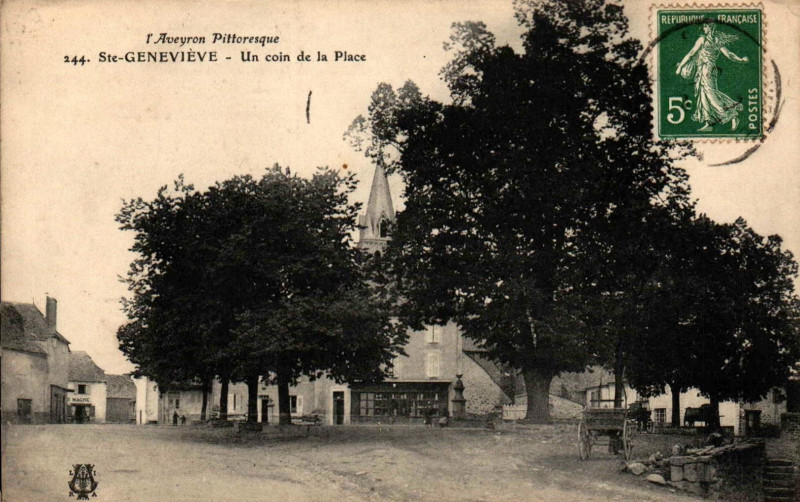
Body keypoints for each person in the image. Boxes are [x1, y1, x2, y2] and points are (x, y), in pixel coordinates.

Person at [675, 20, 749, 132]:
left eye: (705, 26)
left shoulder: (703, 39)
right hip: (706, 69)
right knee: (703, 95)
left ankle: (732, 115)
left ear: (710, 27)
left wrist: (680, 66)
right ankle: (709, 123)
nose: (703, 29)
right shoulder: (717, 40)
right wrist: (740, 59)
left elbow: (691, 53)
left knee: (710, 94)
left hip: (706, 69)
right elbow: (729, 55)